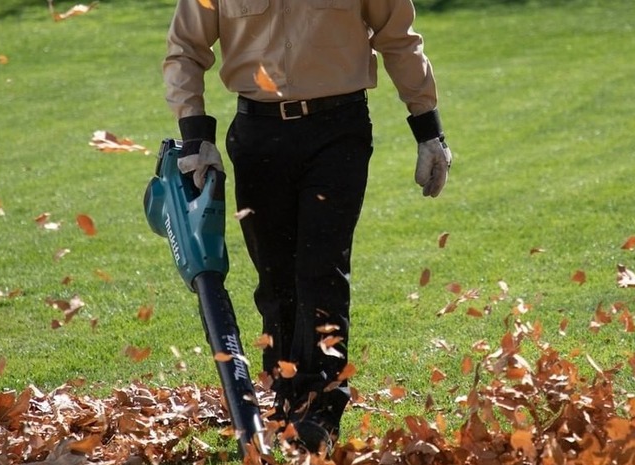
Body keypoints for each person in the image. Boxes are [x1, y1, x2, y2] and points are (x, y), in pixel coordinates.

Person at [162, 0, 453, 457]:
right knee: (276, 281)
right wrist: (196, 136)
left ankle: (320, 410)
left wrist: (428, 130)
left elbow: (398, 37)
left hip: (339, 132)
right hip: (258, 136)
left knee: (321, 268)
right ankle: (286, 400)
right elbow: (185, 48)